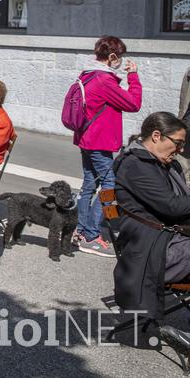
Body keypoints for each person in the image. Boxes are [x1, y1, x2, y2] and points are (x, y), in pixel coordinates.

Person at [112, 112, 189, 324]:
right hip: (150, 249)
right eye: (178, 143)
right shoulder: (136, 165)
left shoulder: (164, 164)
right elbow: (172, 206)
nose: (181, 149)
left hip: (165, 238)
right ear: (156, 136)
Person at [73, 35, 142, 258]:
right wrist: (133, 76)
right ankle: (91, 235)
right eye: (119, 56)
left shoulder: (87, 74)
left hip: (87, 138)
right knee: (109, 187)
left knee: (89, 185)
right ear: (112, 56)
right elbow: (133, 103)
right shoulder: (104, 79)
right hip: (99, 141)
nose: (120, 61)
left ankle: (82, 230)